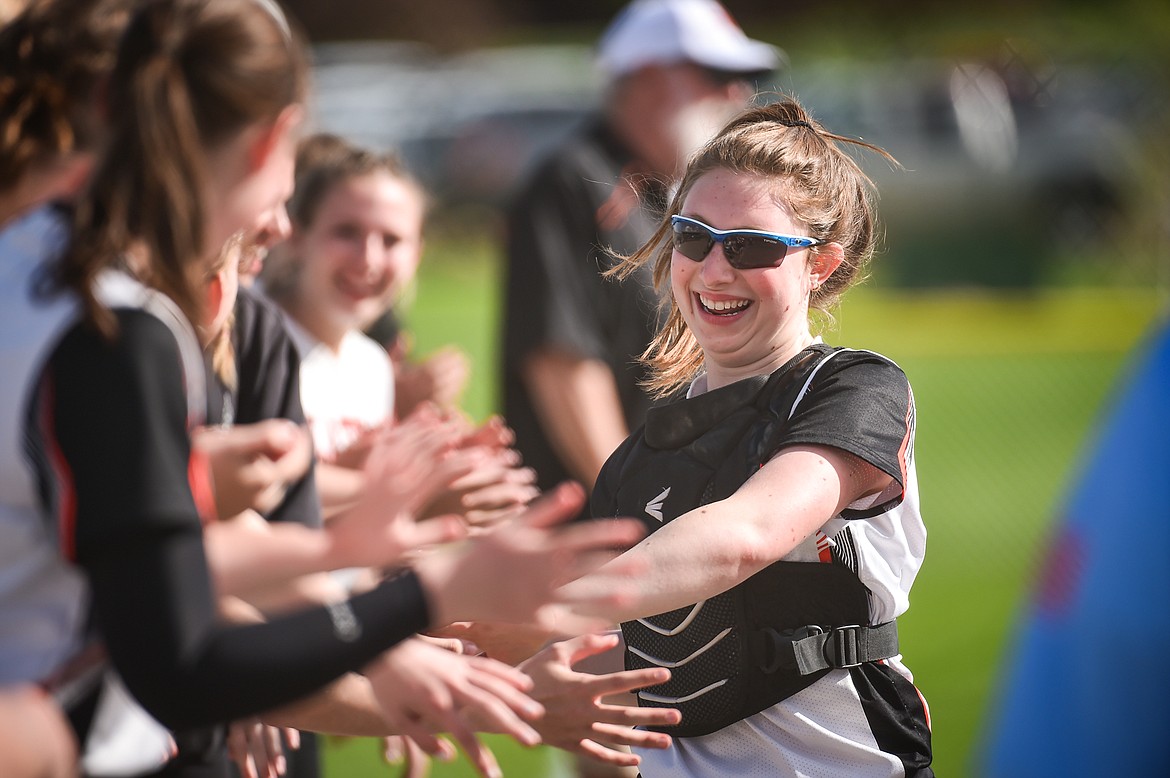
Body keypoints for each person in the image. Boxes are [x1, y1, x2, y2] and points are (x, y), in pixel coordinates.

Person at [3, 3, 651, 778]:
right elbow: (178, 659)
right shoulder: (112, 328)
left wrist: (335, 545)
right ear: (278, 141)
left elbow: (131, 557)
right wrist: (432, 594)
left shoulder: (31, 263)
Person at [555, 97, 934, 776]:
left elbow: (744, 538)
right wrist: (437, 642)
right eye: (694, 236)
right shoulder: (640, 459)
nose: (715, 269)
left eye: (752, 245)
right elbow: (608, 678)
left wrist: (548, 604)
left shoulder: (852, 391)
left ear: (820, 263)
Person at [500, 0, 781, 506]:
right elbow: (562, 360)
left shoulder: (669, 190)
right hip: (590, 534)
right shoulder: (573, 182)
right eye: (716, 72)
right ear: (649, 77)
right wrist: (628, 508)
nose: (736, 92)